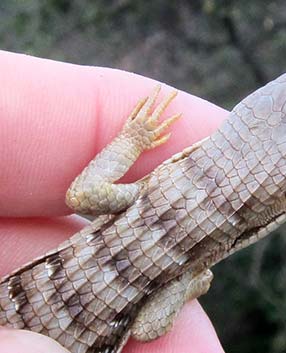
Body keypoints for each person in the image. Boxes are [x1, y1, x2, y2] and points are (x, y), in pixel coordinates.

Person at [0, 49, 226, 353]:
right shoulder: (140, 200)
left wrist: (132, 140)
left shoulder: (138, 199)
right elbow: (148, 328)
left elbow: (84, 195)